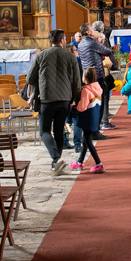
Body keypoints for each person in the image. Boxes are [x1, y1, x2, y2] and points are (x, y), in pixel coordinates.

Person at [27, 29, 82, 176]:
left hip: (46, 98)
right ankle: (55, 163)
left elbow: (29, 78)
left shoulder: (41, 55)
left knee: (44, 131)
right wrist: (76, 99)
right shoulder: (70, 56)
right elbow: (76, 81)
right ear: (62, 40)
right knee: (58, 131)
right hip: (64, 99)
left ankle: (56, 158)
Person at [78, 22, 114, 130]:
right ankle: (96, 128)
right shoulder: (92, 42)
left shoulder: (81, 43)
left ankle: (93, 128)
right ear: (88, 32)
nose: (94, 30)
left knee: (91, 103)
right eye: (92, 29)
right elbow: (108, 51)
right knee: (100, 101)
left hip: (87, 75)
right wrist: (101, 45)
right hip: (97, 74)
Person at [70, 68, 105, 173]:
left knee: (88, 142)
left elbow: (82, 107)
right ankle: (79, 162)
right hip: (94, 118)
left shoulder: (86, 90)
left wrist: (74, 106)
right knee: (86, 140)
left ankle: (99, 164)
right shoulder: (98, 88)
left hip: (87, 119)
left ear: (85, 78)